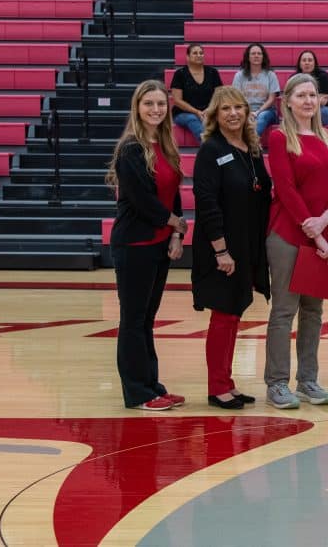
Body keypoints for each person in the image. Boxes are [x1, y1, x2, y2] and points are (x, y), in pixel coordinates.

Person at [264, 72, 328, 409]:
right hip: (287, 233)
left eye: (313, 95)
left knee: (313, 312)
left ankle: (308, 380)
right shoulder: (278, 136)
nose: (308, 101)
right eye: (301, 95)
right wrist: (313, 230)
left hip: (324, 235)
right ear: (288, 101)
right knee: (285, 310)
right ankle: (277, 383)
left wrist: (326, 219)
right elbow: (285, 188)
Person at [105, 79, 188, 411]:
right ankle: (137, 392)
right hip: (134, 243)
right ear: (137, 108)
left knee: (146, 319)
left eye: (161, 104)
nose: (156, 109)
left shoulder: (165, 144)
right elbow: (143, 202)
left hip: (158, 243)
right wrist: (175, 224)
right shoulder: (130, 149)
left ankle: (152, 385)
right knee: (133, 319)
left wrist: (177, 235)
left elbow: (174, 193)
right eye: (149, 103)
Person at [191, 86, 272, 410]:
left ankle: (227, 382)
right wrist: (221, 250)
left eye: (238, 107)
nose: (233, 113)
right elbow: (207, 203)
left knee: (235, 313)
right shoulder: (211, 150)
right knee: (223, 316)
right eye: (225, 109)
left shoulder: (251, 149)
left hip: (246, 245)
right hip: (222, 247)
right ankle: (217, 387)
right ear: (215, 115)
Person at [170, 43, 223, 143]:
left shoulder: (213, 72)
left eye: (201, 53)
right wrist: (197, 112)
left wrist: (209, 110)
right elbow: (177, 101)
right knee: (193, 118)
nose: (199, 55)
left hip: (209, 111)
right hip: (184, 113)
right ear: (188, 57)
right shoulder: (180, 74)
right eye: (195, 53)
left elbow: (219, 95)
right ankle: (209, 148)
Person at [232, 43, 280, 137]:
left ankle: (250, 145)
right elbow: (236, 98)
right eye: (253, 53)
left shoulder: (270, 75)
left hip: (266, 111)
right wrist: (248, 112)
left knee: (261, 117)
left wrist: (257, 112)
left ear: (263, 57)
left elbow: (271, 99)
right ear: (248, 57)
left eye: (259, 53)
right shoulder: (239, 75)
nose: (256, 56)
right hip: (244, 110)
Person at [295, 50, 328, 126]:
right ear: (300, 64)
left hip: (322, 109)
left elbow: (323, 101)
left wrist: (301, 102)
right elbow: (289, 98)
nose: (307, 63)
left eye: (310, 60)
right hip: (301, 109)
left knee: (317, 114)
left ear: (315, 63)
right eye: (304, 60)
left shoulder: (323, 76)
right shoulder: (294, 78)